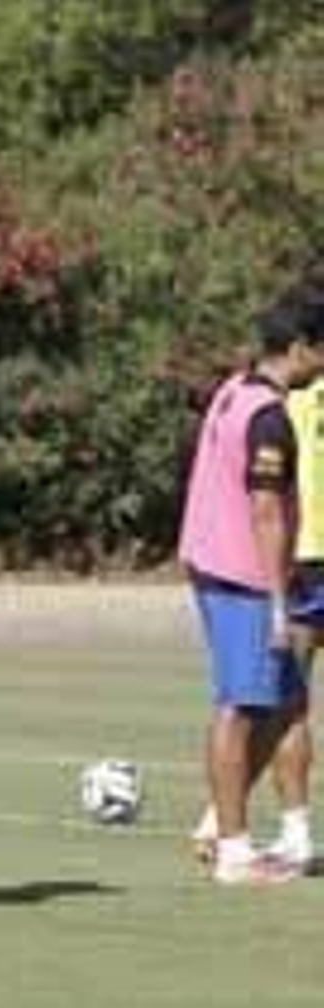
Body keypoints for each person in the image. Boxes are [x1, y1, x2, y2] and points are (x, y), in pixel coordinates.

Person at [180, 286, 324, 884]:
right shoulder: (269, 415)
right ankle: (231, 846)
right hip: (243, 575)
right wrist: (274, 598)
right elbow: (266, 510)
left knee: (285, 700)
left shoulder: (233, 389)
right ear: (299, 347)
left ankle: (259, 833)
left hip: (216, 561)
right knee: (239, 705)